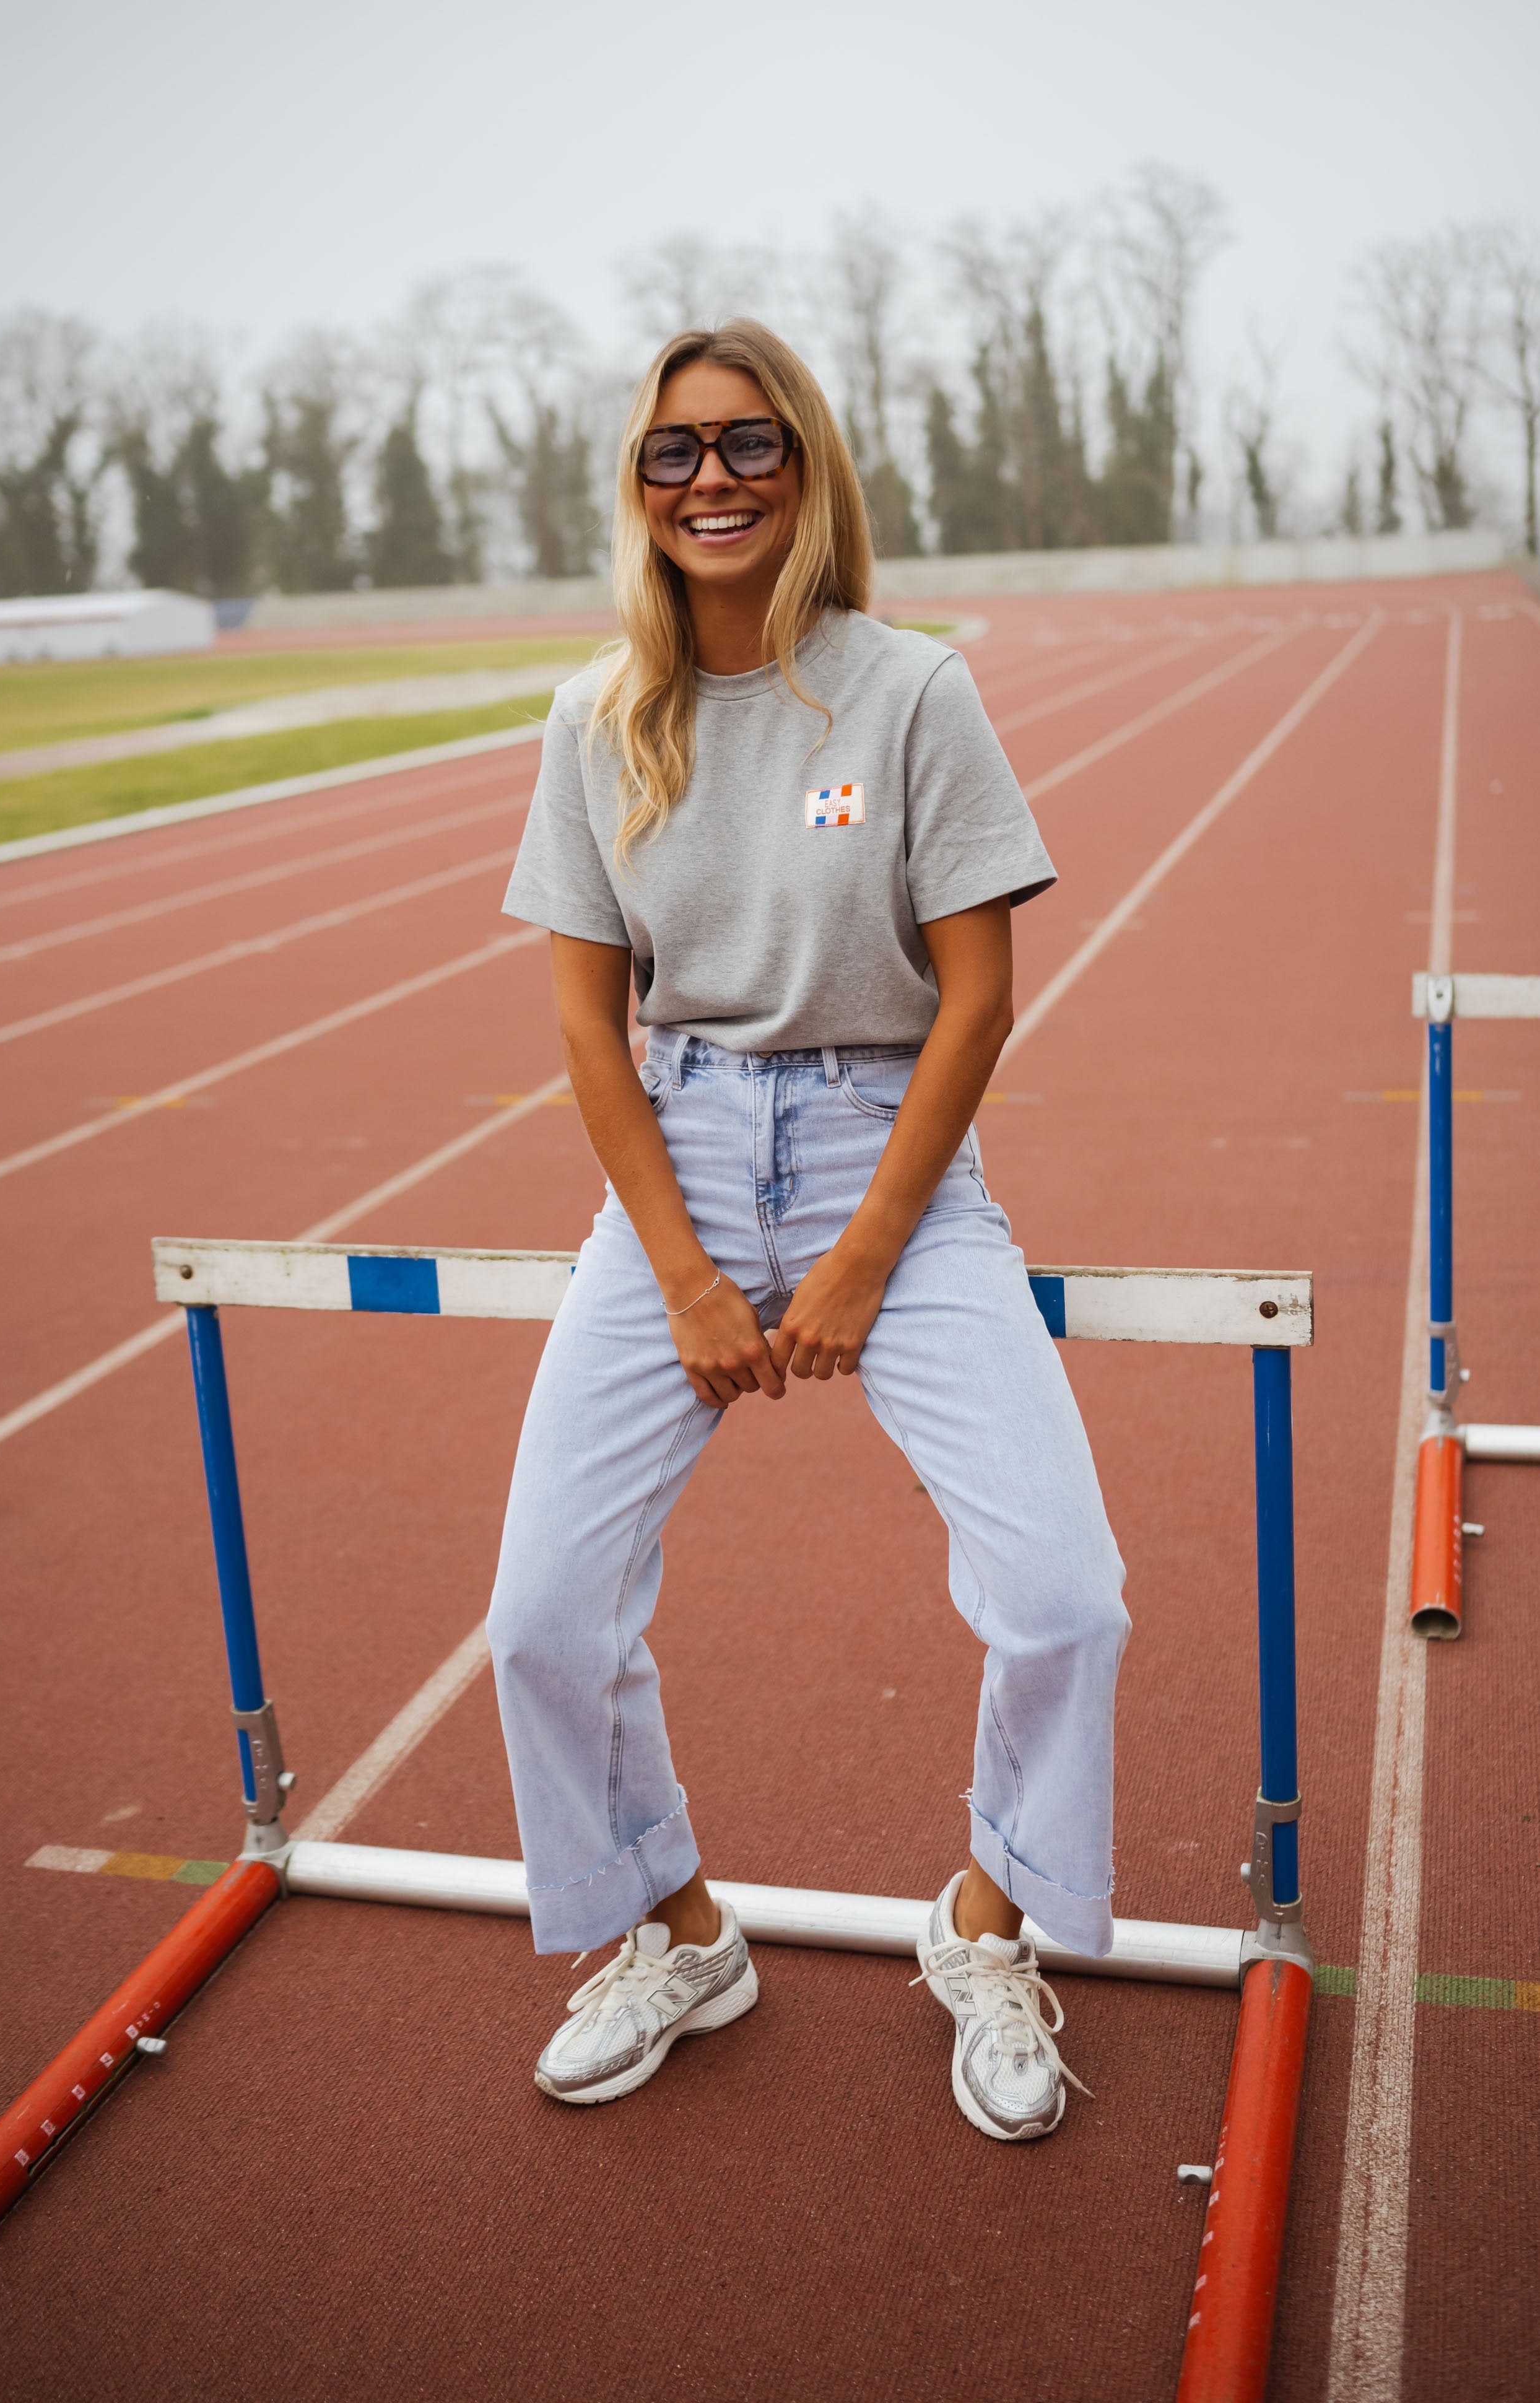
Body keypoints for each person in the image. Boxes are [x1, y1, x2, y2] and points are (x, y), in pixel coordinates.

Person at [488, 318, 1128, 2142]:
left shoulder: (911, 691)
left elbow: (979, 999)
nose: (713, 480)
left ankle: (987, 1924)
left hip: (885, 1157)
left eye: (750, 444)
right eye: (674, 451)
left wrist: (861, 1257)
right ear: (639, 484)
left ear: (808, 466)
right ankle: (676, 1933)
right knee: (540, 1615)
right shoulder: (595, 717)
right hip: (678, 1154)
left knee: (1065, 1596)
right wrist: (687, 1273)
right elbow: (585, 1030)